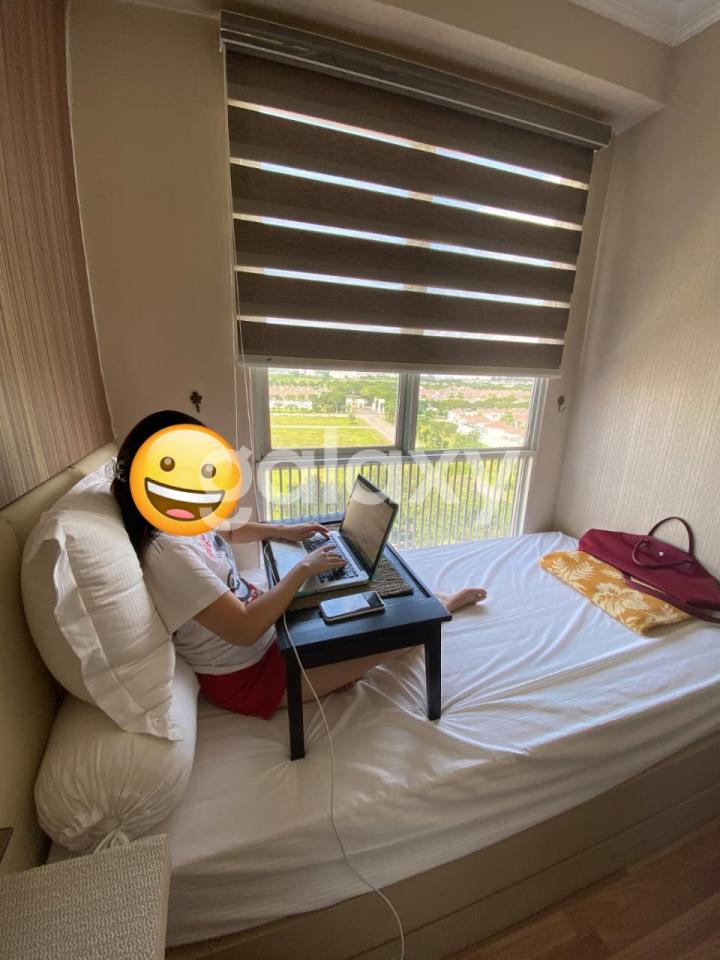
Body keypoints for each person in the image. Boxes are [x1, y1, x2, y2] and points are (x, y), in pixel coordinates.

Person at [112, 410, 486, 720]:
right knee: (389, 642)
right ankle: (443, 607)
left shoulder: (177, 517)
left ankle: (427, 601)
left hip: (271, 633)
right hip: (249, 677)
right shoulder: (168, 554)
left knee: (354, 607)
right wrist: (303, 569)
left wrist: (284, 531)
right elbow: (244, 629)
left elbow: (229, 528)